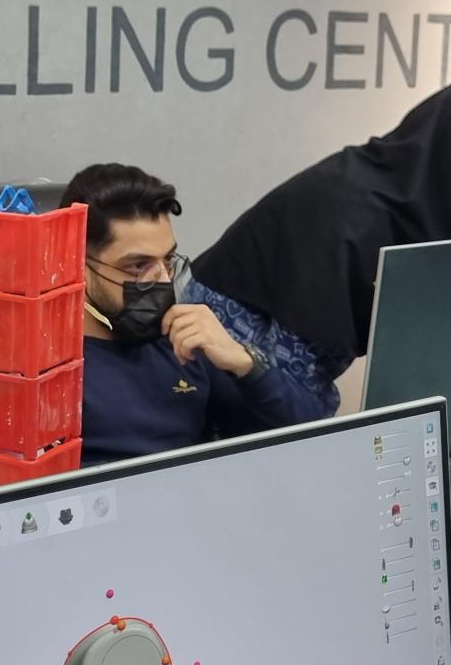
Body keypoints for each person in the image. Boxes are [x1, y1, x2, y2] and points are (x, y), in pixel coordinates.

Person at [189, 77, 451, 412]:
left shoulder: (419, 207)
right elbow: (291, 387)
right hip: (212, 375)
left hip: (266, 379)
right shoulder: (351, 213)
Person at [60, 164, 332, 468]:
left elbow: (311, 438)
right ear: (77, 262)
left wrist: (244, 364)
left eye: (167, 260)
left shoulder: (180, 341)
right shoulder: (47, 372)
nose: (163, 280)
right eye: (138, 266)